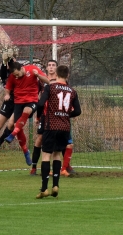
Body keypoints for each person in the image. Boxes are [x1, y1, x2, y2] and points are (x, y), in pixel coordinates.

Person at [35, 65, 81, 199]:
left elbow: (40, 104)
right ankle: (55, 185)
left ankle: (44, 189)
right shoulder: (73, 91)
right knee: (57, 155)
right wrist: (65, 115)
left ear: (56, 74)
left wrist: (39, 117)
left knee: (46, 156)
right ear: (68, 75)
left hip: (51, 125)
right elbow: (78, 111)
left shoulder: (50, 87)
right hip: (65, 127)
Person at [4, 61, 49, 165]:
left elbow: (47, 81)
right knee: (17, 126)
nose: (16, 77)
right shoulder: (13, 76)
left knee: (27, 111)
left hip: (32, 100)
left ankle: (12, 134)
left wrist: (38, 76)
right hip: (18, 102)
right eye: (14, 75)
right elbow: (8, 88)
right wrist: (7, 95)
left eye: (17, 74)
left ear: (21, 68)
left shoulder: (33, 69)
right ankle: (25, 152)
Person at [30, 60, 58, 175]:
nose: (51, 67)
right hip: (45, 114)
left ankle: (53, 167)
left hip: (56, 115)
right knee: (39, 139)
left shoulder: (59, 81)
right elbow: (38, 97)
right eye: (49, 65)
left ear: (56, 68)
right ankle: (34, 166)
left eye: (53, 65)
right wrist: (37, 116)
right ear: (46, 68)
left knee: (55, 141)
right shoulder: (41, 81)